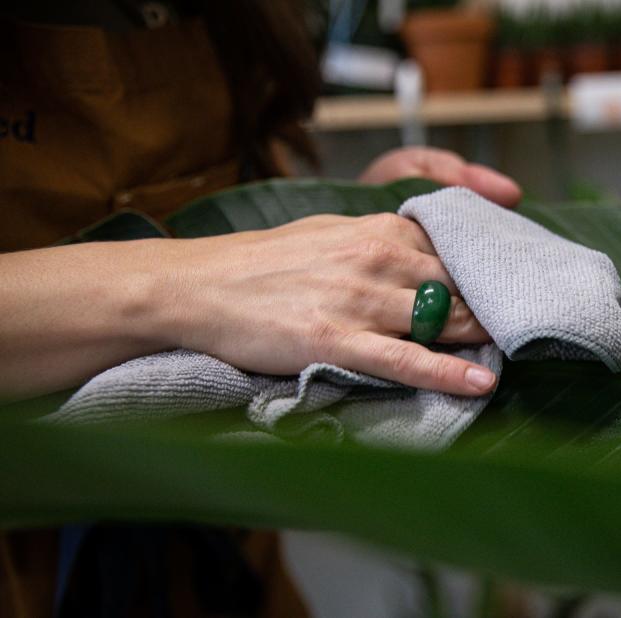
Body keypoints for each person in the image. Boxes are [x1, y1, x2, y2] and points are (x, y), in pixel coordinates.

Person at [0, 1, 522, 615]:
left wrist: (356, 225)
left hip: (221, 558)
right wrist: (189, 286)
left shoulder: (228, 18)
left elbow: (236, 213)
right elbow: (224, 277)